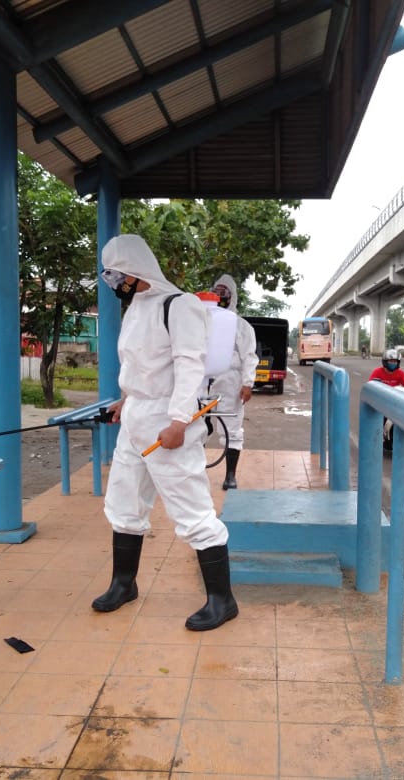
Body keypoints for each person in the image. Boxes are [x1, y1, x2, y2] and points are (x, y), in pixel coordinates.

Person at [93, 234, 238, 631]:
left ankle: (222, 600)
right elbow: (141, 365)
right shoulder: (136, 308)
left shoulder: (179, 305)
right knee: (123, 503)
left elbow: (189, 364)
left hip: (168, 420)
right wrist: (126, 399)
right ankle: (124, 584)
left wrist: (179, 420)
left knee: (191, 509)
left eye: (115, 275)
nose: (112, 284)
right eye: (108, 277)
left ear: (134, 270)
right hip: (137, 415)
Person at [209, 274, 258, 490]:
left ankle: (230, 475)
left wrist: (247, 383)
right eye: (216, 292)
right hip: (204, 380)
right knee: (196, 425)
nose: (220, 296)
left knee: (232, 428)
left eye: (224, 293)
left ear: (232, 296)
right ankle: (192, 472)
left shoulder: (241, 326)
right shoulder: (204, 320)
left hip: (230, 381)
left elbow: (249, 356)